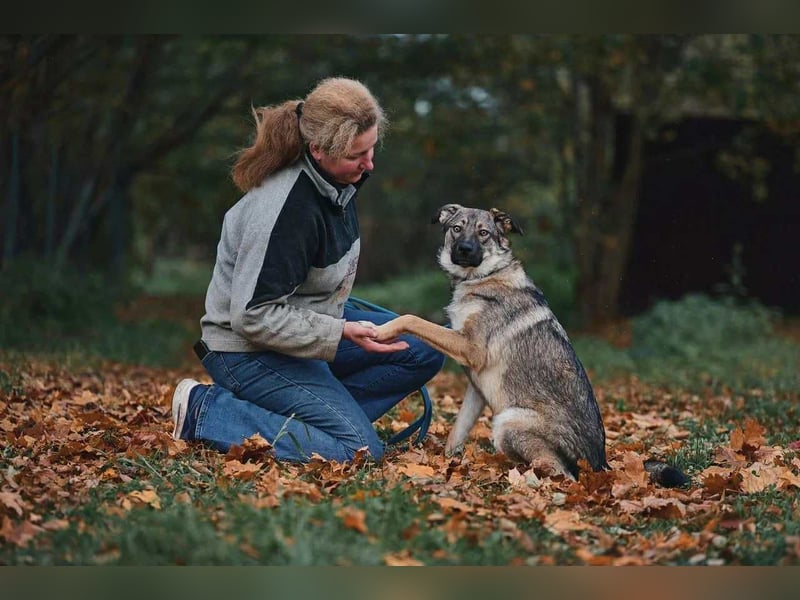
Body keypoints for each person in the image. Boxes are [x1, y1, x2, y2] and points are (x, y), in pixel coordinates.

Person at [171, 77, 444, 463]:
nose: (370, 165)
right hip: (248, 352)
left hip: (304, 330)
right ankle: (210, 411)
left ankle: (314, 422)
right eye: (357, 155)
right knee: (357, 449)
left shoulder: (336, 178)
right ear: (317, 150)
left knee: (424, 348)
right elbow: (252, 317)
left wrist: (340, 325)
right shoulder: (285, 212)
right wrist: (341, 330)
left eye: (371, 148)